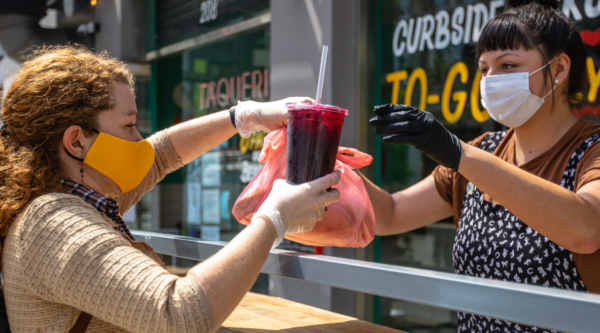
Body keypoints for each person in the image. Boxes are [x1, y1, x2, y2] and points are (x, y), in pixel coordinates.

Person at [0, 45, 340, 333]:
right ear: (76, 141)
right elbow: (178, 313)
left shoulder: (69, 193)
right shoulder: (52, 223)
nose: (138, 141)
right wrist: (274, 218)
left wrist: (243, 118)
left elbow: (160, 155)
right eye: (129, 125)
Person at [364, 0, 599, 331]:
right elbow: (389, 214)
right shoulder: (484, 149)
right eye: (485, 69)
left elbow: (587, 229)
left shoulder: (591, 152)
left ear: (559, 69)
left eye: (507, 65)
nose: (491, 80)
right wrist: (329, 157)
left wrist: (458, 154)